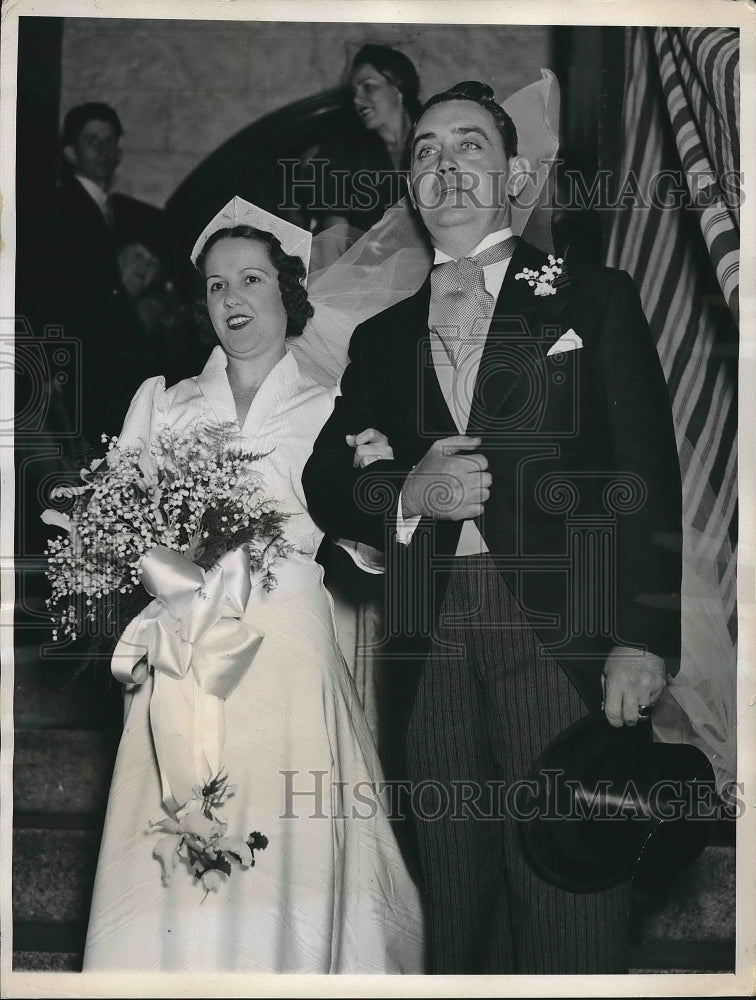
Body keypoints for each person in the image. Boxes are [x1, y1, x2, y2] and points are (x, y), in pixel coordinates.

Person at [302, 81, 683, 974]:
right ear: (412, 186)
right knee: (452, 896)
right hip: (426, 639)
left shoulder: (592, 297)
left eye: (468, 146)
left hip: (562, 632)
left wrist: (643, 637)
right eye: (426, 152)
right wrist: (406, 492)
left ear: (514, 175)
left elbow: (645, 474)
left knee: (567, 889)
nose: (445, 165)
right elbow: (325, 478)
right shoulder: (382, 338)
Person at [81, 197, 424, 973]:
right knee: (177, 845)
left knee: (282, 851)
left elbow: (367, 550)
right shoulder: (164, 407)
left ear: (287, 292)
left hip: (290, 651)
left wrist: (383, 489)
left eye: (251, 280)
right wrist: (176, 586)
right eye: (214, 286)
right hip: (185, 654)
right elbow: (123, 540)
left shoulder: (331, 408)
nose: (233, 299)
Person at [306, 43, 421, 247]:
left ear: (398, 87)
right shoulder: (341, 153)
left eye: (368, 87)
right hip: (363, 270)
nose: (358, 99)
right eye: (354, 92)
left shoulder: (433, 141)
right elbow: (334, 236)